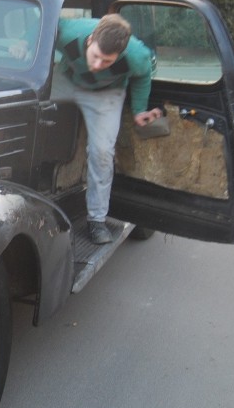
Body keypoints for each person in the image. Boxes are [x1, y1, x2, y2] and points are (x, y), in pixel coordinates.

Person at [51, 14, 163, 245]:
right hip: (67, 81)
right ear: (91, 39)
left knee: (102, 152)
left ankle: (97, 220)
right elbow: (40, 27)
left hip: (106, 94)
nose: (97, 66)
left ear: (120, 55)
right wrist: (23, 43)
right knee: (28, 109)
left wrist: (140, 110)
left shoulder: (137, 55)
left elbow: (143, 76)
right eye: (96, 57)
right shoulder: (69, 31)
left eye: (107, 62)